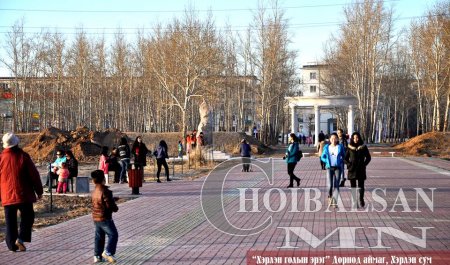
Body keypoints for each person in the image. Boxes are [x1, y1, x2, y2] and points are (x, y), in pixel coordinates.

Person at [0, 132, 43, 252]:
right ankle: (21, 238)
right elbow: (34, 175)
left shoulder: (1, 158)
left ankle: (11, 245)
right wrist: (39, 191)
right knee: (28, 217)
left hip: (7, 196)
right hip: (23, 195)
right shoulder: (23, 156)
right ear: (16, 143)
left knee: (10, 222)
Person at [91, 170, 119, 263]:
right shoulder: (105, 191)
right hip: (105, 217)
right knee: (113, 235)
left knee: (99, 237)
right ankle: (108, 252)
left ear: (94, 181)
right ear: (103, 179)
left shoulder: (95, 190)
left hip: (96, 217)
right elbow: (109, 205)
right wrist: (115, 207)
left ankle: (97, 256)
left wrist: (112, 199)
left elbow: (99, 201)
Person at [344, 132, 371, 208]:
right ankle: (354, 202)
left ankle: (361, 199)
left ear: (359, 138)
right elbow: (345, 159)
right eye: (354, 138)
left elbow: (368, 157)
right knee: (353, 186)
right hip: (352, 169)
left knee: (361, 186)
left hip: (361, 169)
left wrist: (364, 164)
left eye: (357, 137)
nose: (356, 139)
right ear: (352, 138)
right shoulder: (349, 147)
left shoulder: (363, 147)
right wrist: (349, 164)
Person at [320, 133, 345, 208]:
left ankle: (335, 201)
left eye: (335, 138)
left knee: (336, 185)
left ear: (337, 139)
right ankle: (330, 196)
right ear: (330, 139)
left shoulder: (340, 147)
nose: (333, 140)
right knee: (330, 185)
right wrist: (326, 162)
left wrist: (341, 161)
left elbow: (344, 156)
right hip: (329, 168)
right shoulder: (327, 147)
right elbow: (322, 157)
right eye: (332, 139)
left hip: (338, 168)